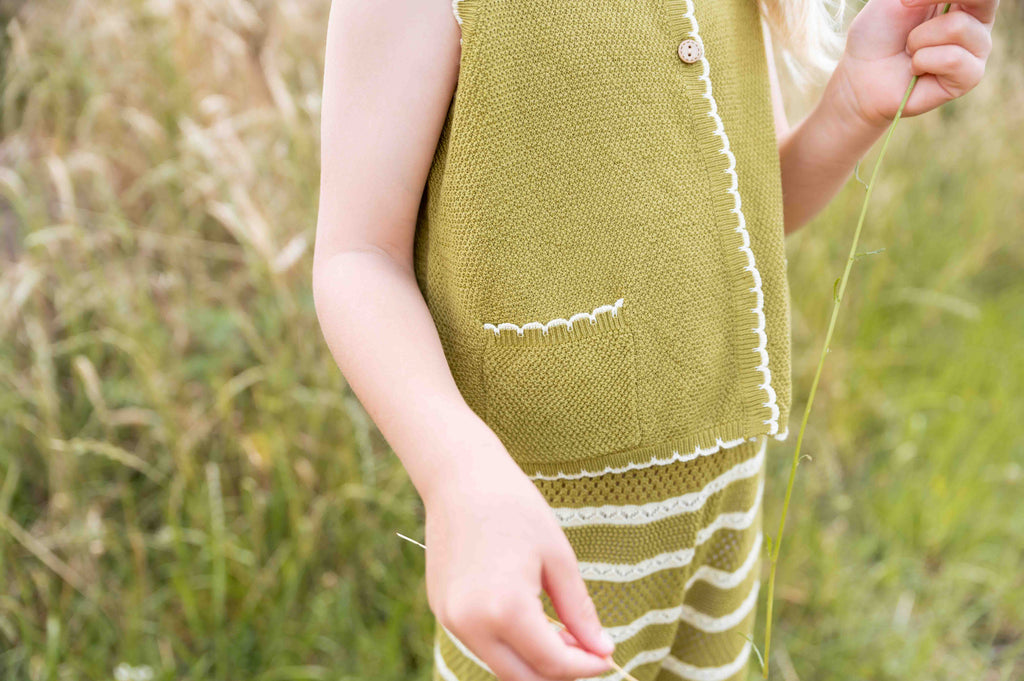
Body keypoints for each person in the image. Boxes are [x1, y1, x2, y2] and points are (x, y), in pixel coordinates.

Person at [311, 0, 996, 678]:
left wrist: (851, 105)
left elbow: (749, 204)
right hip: (535, 517)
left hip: (727, 498)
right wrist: (456, 474)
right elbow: (359, 256)